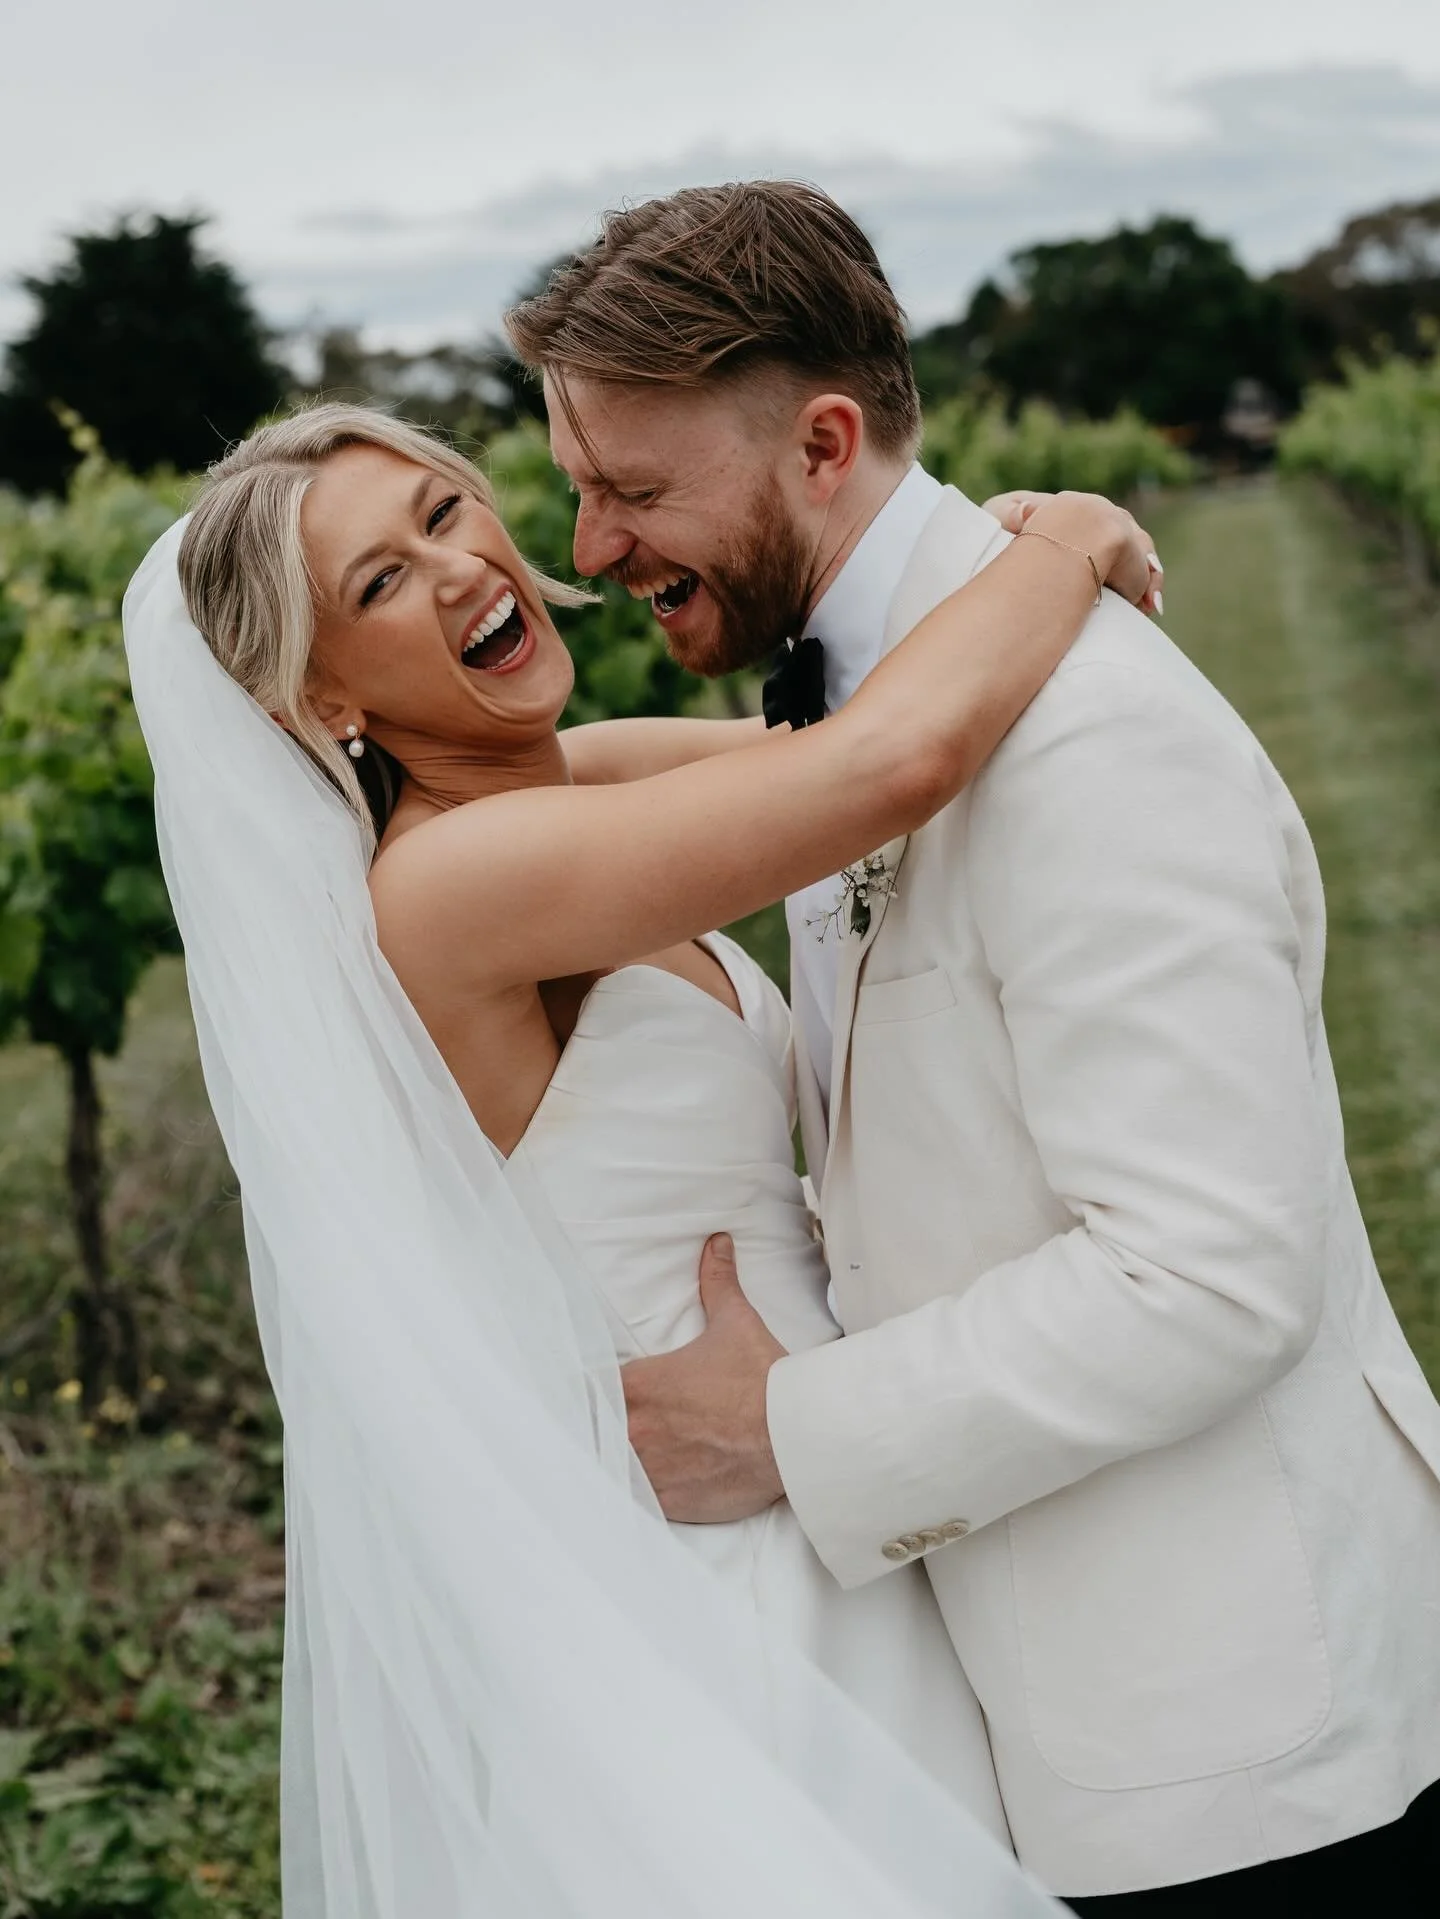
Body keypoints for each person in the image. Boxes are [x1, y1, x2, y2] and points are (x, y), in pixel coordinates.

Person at [505, 178, 1440, 1916]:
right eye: (577, 484)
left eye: (631, 487)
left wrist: (787, 1430)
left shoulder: (1087, 740)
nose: (591, 545)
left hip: (1243, 1754)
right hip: (1059, 1706)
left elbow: (1211, 1271)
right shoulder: (871, 701)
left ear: (822, 444)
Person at [132, 399, 1156, 1916]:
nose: (458, 565)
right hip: (723, 1578)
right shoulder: (449, 887)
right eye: (380, 581)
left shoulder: (568, 778)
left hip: (823, 1485)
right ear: (316, 696)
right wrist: (1067, 535)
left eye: (442, 510)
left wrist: (970, 560)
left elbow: (854, 718)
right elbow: (892, 763)